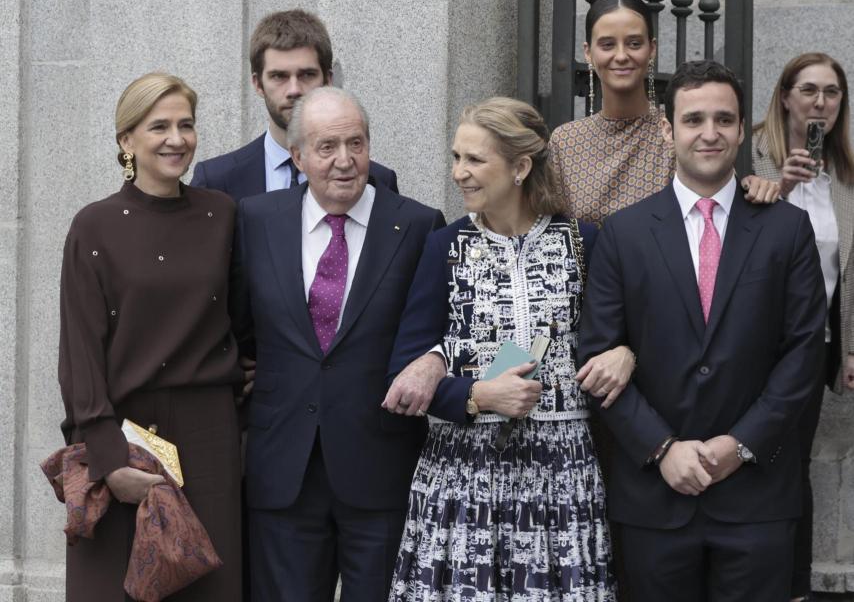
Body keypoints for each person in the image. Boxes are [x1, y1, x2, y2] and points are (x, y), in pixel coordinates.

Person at [577, 60, 827, 601]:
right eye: (693, 120)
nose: (709, 133)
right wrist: (662, 448)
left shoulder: (787, 228)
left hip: (757, 496)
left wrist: (740, 445)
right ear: (669, 129)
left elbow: (804, 351)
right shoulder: (624, 233)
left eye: (723, 119)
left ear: (742, 129)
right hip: (654, 495)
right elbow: (595, 354)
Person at [386, 97, 619, 601]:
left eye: (474, 160)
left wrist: (628, 354)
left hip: (561, 474)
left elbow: (615, 342)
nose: (459, 173)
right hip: (464, 476)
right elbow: (404, 368)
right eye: (456, 158)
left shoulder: (582, 242)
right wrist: (477, 396)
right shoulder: (444, 246)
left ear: (520, 167)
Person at [230, 86, 444, 601]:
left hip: (381, 469)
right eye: (327, 147)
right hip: (284, 471)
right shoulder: (256, 221)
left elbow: (440, 326)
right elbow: (237, 326)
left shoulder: (417, 226)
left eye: (357, 143)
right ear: (299, 157)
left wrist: (435, 360)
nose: (345, 161)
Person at [58, 73, 243, 601]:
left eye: (186, 125)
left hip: (210, 439)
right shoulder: (93, 226)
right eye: (158, 126)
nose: (176, 138)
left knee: (211, 588)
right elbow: (80, 352)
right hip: (123, 437)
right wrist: (108, 458)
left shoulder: (221, 214)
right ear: (126, 141)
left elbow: (242, 321)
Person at [752, 51, 854, 601]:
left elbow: (850, 273)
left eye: (832, 92)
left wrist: (851, 346)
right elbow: (733, 244)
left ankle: (793, 587)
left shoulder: (846, 179)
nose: (820, 101)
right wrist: (781, 187)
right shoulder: (751, 159)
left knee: (793, 464)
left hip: (811, 347)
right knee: (749, 459)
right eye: (809, 90)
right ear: (786, 96)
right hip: (748, 344)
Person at [550, 0, 778, 227]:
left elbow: (718, 199)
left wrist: (752, 187)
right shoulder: (565, 141)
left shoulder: (677, 132)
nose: (621, 56)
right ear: (588, 53)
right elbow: (549, 229)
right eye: (607, 44)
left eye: (634, 43)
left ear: (652, 49)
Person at [191, 9, 397, 201]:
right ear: (257, 84)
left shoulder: (377, 181)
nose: (294, 90)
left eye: (307, 74)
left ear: (328, 79)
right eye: (279, 76)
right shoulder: (216, 181)